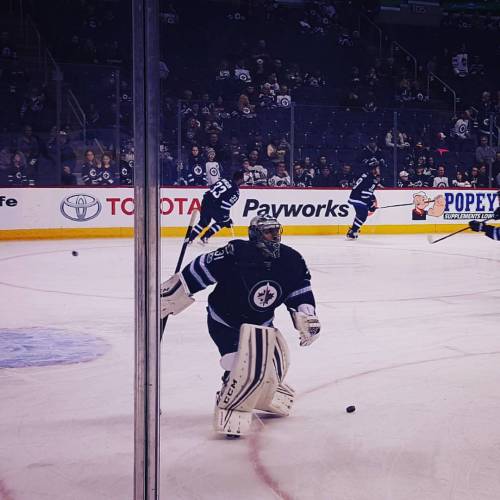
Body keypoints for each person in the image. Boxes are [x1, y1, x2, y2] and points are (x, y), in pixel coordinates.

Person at [160, 215, 321, 437]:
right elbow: (201, 268)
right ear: (255, 234)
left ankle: (265, 389)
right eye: (268, 232)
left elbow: (299, 290)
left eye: (276, 231)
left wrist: (306, 314)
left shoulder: (291, 259)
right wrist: (174, 292)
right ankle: (230, 404)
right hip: (225, 320)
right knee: (241, 365)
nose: (275, 236)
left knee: (273, 367)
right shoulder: (235, 253)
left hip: (262, 324)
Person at [188, 170, 245, 245]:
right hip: (216, 207)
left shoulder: (224, 180)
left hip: (206, 200)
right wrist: (227, 219)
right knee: (223, 222)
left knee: (203, 222)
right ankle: (205, 237)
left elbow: (212, 188)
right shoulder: (235, 192)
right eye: (243, 179)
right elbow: (225, 206)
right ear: (240, 179)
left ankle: (189, 239)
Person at [346, 161, 380, 240]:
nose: (379, 170)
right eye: (377, 168)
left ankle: (353, 231)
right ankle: (352, 232)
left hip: (354, 196)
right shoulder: (372, 180)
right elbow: (365, 194)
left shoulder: (365, 174)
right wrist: (370, 205)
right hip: (358, 198)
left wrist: (370, 204)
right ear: (373, 169)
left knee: (360, 214)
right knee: (363, 215)